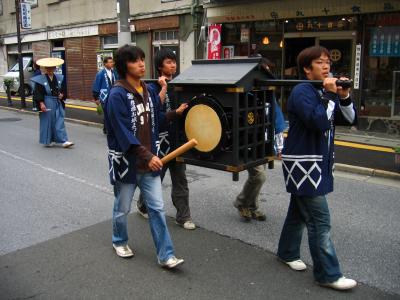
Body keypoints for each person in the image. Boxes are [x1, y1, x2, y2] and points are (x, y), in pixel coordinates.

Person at [277, 46, 357, 290]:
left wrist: (342, 96)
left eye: (327, 63)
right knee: (319, 220)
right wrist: (330, 96)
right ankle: (328, 274)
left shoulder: (322, 91)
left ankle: (287, 252)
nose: (326, 66)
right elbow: (319, 121)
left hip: (314, 162)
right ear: (306, 69)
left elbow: (349, 119)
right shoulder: (302, 91)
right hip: (303, 164)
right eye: (320, 62)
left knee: (299, 213)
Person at [104, 45, 188, 269]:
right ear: (124, 66)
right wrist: (147, 155)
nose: (141, 64)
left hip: (149, 163)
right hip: (127, 163)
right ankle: (119, 240)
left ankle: (166, 255)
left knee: (157, 209)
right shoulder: (117, 95)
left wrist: (173, 114)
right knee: (122, 208)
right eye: (135, 60)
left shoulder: (149, 90)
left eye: (142, 59)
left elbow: (155, 120)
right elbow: (123, 133)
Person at [136, 49, 196, 230]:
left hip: (177, 142)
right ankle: (143, 204)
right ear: (160, 66)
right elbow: (153, 116)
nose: (173, 65)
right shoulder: (152, 87)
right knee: (155, 179)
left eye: (174, 62)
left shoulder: (180, 84)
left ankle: (183, 217)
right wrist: (174, 112)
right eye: (169, 62)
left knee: (180, 180)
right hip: (160, 143)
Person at [234, 57, 287, 222]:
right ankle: (241, 202)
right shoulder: (243, 93)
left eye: (267, 70)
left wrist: (279, 145)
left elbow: (276, 120)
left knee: (257, 175)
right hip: (247, 141)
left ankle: (252, 207)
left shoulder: (268, 94)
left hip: (262, 140)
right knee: (259, 175)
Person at [31, 57, 74, 148]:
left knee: (59, 121)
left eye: (52, 68)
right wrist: (41, 103)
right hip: (47, 101)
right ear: (45, 68)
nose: (50, 70)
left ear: (55, 68)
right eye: (48, 68)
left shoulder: (59, 78)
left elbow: (64, 90)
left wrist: (62, 95)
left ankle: (64, 140)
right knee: (48, 122)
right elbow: (37, 92)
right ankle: (48, 140)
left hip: (57, 102)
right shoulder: (40, 79)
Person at [92, 56, 117, 134]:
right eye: (109, 62)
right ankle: (108, 129)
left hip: (113, 95)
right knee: (107, 112)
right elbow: (96, 85)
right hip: (104, 96)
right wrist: (96, 98)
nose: (111, 63)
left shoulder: (114, 72)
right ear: (105, 64)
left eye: (112, 62)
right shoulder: (100, 73)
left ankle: (106, 128)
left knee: (111, 112)